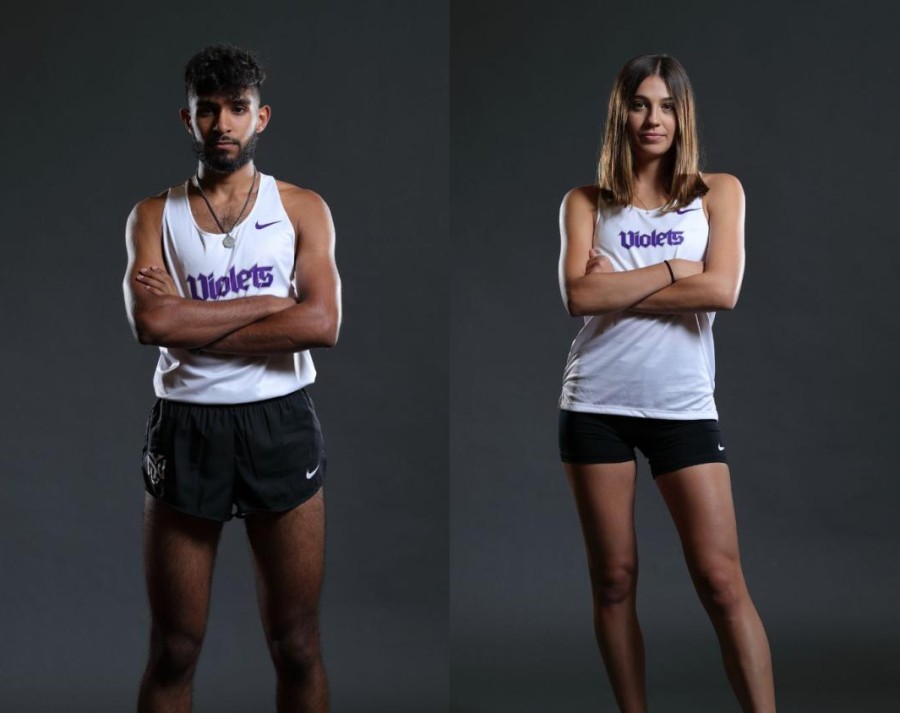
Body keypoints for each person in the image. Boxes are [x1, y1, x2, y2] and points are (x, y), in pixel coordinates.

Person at [123, 44, 340, 713]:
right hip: (188, 426)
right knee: (175, 647)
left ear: (261, 117)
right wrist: (274, 305)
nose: (223, 123)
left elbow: (322, 322)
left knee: (297, 643)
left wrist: (194, 317)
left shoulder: (303, 208)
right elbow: (150, 324)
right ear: (187, 120)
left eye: (237, 109)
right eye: (208, 109)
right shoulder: (154, 216)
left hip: (279, 419)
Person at [557, 54, 775, 712]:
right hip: (594, 402)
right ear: (620, 114)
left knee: (720, 578)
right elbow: (577, 296)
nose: (653, 118)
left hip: (683, 406)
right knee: (615, 581)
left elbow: (723, 288)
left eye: (666, 105)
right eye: (641, 104)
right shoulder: (586, 202)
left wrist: (619, 282)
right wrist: (677, 270)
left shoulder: (719, 192)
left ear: (683, 117)